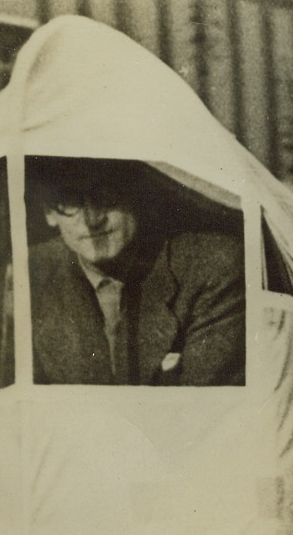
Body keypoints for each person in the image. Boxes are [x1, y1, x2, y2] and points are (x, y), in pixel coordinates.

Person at [27, 158, 246, 386]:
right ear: (48, 213)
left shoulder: (212, 266)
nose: (92, 220)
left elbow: (208, 410)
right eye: (70, 201)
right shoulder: (28, 274)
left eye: (105, 195)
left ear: (137, 195)